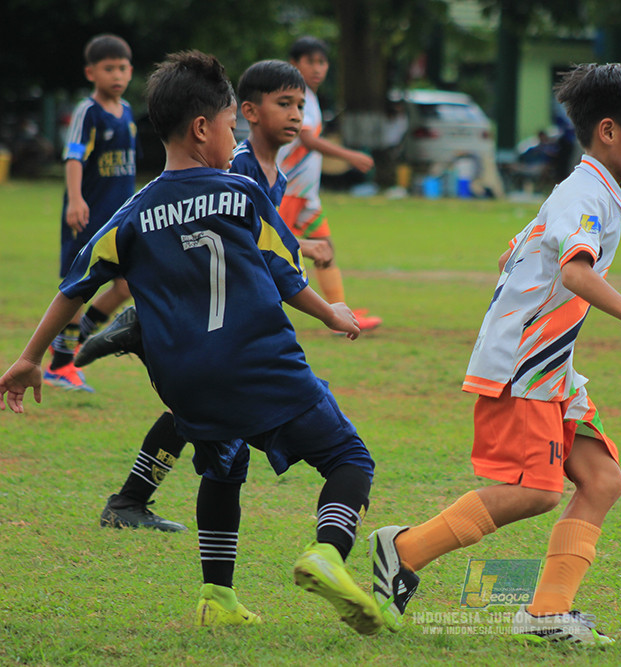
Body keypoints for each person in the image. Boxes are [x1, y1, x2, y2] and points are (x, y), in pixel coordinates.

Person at [0, 51, 382, 634]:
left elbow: (75, 288)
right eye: (231, 125)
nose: (235, 138)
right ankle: (327, 552)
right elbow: (284, 273)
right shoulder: (240, 192)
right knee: (349, 458)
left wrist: (30, 358)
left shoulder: (132, 212)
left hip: (184, 380)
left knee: (223, 466)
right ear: (204, 128)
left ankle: (216, 597)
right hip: (258, 363)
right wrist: (331, 312)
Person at [367, 63, 621, 646]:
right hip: (525, 365)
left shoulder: (587, 191)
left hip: (551, 366)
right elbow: (573, 268)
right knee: (537, 490)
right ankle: (404, 550)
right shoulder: (587, 192)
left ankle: (546, 613)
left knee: (602, 480)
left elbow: (516, 251)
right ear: (610, 132)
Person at [91, 59, 318, 534]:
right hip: (219, 313)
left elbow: (258, 236)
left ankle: (130, 500)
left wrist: (299, 245)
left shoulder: (270, 171)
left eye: (301, 105)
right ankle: (132, 500)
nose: (298, 115)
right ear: (250, 113)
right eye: (285, 104)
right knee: (208, 416)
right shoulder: (236, 164)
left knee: (193, 410)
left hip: (221, 314)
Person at [45, 34, 138, 392]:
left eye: (123, 68)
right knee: (80, 289)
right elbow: (73, 156)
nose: (117, 75)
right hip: (87, 218)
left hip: (118, 220)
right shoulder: (89, 111)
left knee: (125, 285)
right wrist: (75, 200)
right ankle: (60, 364)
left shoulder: (127, 112)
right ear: (90, 72)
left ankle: (69, 346)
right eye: (108, 68)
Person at [278, 36, 382, 332]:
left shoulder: (308, 97)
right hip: (288, 192)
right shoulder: (298, 95)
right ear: (294, 64)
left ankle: (341, 316)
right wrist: (350, 155)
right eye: (310, 61)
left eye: (322, 62)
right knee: (268, 255)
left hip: (305, 195)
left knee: (325, 249)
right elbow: (307, 139)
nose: (318, 68)